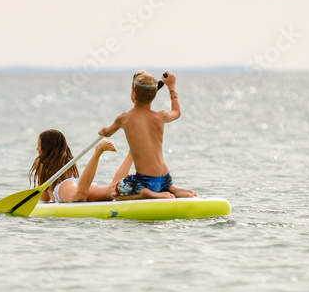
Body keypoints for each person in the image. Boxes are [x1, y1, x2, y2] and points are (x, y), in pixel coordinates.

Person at [98, 71, 197, 200]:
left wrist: (102, 131)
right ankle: (172, 188)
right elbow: (177, 112)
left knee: (115, 192)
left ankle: (147, 193)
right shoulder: (161, 116)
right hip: (165, 177)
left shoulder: (124, 118)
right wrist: (171, 87)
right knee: (164, 183)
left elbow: (107, 133)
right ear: (154, 96)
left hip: (145, 181)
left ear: (134, 94)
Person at [29, 129, 132, 203]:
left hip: (64, 188)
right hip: (77, 183)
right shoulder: (69, 160)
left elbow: (45, 198)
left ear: (46, 147)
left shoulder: (41, 162)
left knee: (79, 198)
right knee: (111, 193)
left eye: (39, 145)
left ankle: (98, 151)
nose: (37, 149)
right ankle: (132, 153)